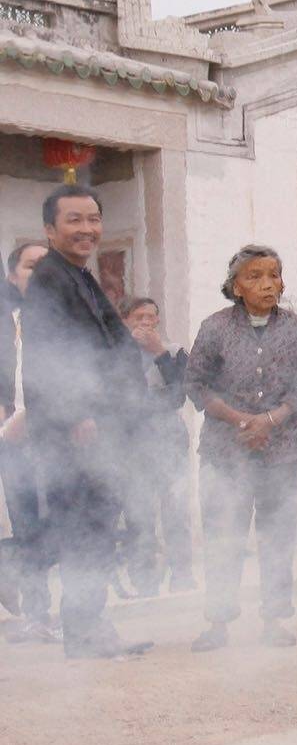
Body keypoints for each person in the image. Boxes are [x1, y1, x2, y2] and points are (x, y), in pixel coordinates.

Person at [20, 185, 152, 658]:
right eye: (74, 220)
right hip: (76, 433)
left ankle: (91, 626)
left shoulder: (79, 275)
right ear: (50, 230)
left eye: (93, 219)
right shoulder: (50, 280)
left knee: (97, 530)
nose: (87, 229)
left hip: (103, 429)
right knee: (83, 532)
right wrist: (76, 413)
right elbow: (47, 355)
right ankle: (83, 632)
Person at [185, 245, 297, 651]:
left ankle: (274, 619)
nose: (267, 284)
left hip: (280, 453)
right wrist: (240, 419)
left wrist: (269, 420)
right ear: (235, 286)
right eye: (254, 277)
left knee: (277, 537)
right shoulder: (214, 328)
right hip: (226, 452)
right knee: (224, 536)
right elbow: (196, 384)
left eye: (273, 275)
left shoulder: (296, 329)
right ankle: (219, 622)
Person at [117, 296, 195, 595]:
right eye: (139, 317)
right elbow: (117, 397)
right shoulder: (116, 352)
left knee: (175, 507)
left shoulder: (174, 352)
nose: (146, 323)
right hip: (131, 444)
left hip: (169, 440)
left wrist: (159, 353)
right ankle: (145, 579)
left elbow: (178, 396)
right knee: (139, 513)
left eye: (151, 317)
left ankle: (182, 574)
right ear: (125, 321)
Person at [1, 241, 55, 642]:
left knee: (56, 527)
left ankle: (46, 610)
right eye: (31, 266)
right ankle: (30, 612)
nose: (40, 274)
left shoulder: (67, 318)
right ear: (12, 275)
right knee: (21, 527)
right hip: (9, 442)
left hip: (55, 437)